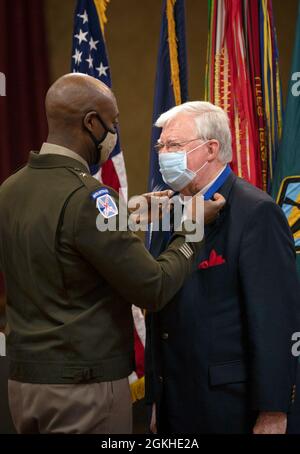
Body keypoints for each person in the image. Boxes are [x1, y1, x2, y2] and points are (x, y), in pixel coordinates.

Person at [0, 74, 224, 434]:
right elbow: (152, 286)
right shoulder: (90, 198)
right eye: (113, 121)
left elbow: (61, 244)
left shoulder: (10, 189)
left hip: (24, 384)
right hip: (82, 389)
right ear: (91, 123)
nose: (115, 131)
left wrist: (129, 212)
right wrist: (191, 228)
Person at [146, 101, 300, 434]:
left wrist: (273, 410)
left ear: (211, 149)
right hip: (175, 399)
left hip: (230, 403)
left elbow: (275, 319)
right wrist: (157, 396)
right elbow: (160, 306)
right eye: (161, 146)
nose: (163, 154)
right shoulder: (169, 207)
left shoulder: (256, 212)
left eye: (174, 145)